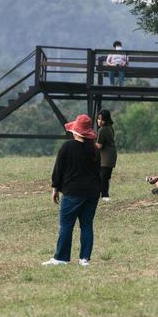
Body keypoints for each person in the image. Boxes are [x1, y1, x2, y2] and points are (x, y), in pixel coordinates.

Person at [45, 114, 101, 266]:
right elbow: (98, 172)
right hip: (92, 192)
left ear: (76, 131)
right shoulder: (95, 149)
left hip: (73, 192)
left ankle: (61, 258)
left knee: (66, 224)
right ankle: (84, 259)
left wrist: (55, 188)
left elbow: (59, 170)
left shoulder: (67, 147)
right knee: (87, 225)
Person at [96, 109, 117, 200]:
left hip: (106, 157)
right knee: (105, 177)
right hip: (111, 155)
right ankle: (103, 194)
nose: (99, 121)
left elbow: (99, 146)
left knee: (103, 177)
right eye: (98, 119)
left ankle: (105, 196)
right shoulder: (110, 127)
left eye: (101, 119)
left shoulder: (102, 130)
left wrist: (90, 142)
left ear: (106, 120)